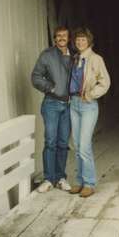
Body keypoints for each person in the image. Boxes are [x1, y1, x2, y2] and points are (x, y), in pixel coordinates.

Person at [68, 27, 111, 198]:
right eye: (78, 40)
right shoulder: (74, 58)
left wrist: (91, 94)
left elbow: (105, 82)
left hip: (88, 105)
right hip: (74, 104)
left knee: (84, 146)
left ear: (89, 42)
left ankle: (89, 183)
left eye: (83, 40)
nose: (80, 42)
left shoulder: (95, 59)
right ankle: (79, 181)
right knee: (76, 145)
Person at [31, 26, 73, 193]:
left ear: (69, 38)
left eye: (64, 35)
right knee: (50, 141)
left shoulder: (75, 56)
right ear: (55, 39)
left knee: (63, 143)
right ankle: (49, 178)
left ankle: (61, 177)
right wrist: (50, 87)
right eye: (58, 36)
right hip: (52, 104)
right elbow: (35, 76)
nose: (61, 38)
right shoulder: (47, 55)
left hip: (69, 105)